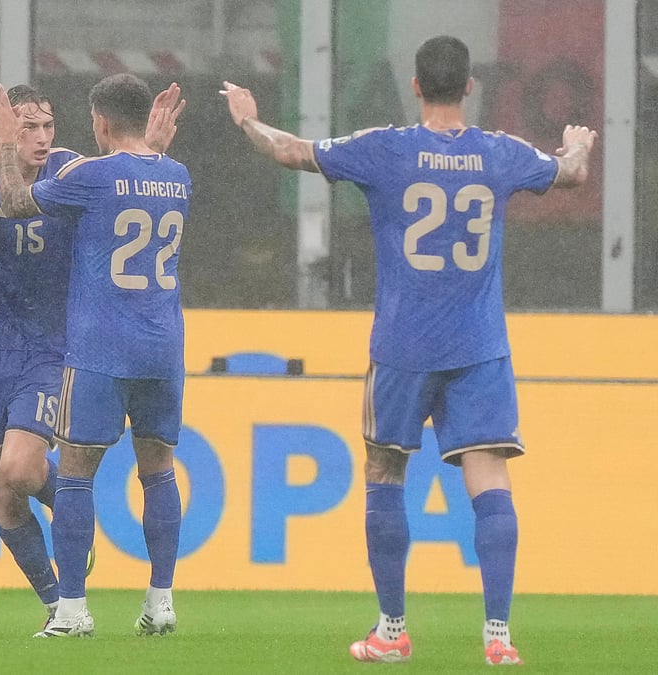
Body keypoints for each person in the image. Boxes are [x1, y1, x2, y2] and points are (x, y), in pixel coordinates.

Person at [219, 35, 596, 665]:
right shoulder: (500, 153)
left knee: (385, 472)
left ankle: (392, 631)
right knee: (490, 478)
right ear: (470, 88)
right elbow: (573, 173)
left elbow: (289, 152)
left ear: (416, 86)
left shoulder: (385, 149)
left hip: (402, 346)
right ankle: (499, 640)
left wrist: (245, 117)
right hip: (479, 347)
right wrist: (579, 141)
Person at [0, 82, 184, 633]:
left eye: (49, 126)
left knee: (23, 467)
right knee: (4, 495)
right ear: (2, 128)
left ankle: (74, 521)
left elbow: (120, 181)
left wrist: (150, 149)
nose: (44, 138)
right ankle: (57, 604)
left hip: (50, 343)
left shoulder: (71, 168)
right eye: (29, 128)